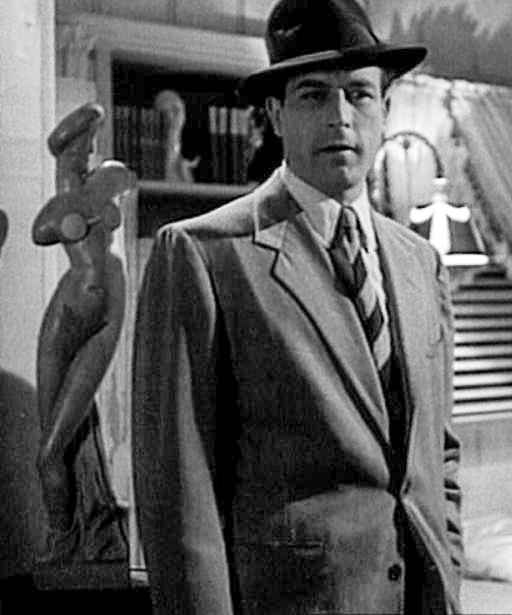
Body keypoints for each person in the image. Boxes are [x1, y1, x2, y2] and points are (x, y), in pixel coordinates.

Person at [131, 1, 463, 613]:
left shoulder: (421, 263)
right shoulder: (205, 255)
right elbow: (179, 497)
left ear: (386, 110)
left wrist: (449, 573)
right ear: (277, 114)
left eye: (359, 94)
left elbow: (437, 455)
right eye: (314, 95)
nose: (341, 116)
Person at [32, 102, 132, 562]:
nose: (88, 153)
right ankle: (66, 541)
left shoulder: (106, 182)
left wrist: (85, 208)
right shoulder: (56, 210)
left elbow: (124, 177)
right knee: (51, 449)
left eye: (90, 144)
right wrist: (75, 211)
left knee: (58, 446)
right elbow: (40, 232)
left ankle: (79, 539)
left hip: (105, 313)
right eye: (80, 148)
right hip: (66, 314)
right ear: (64, 156)